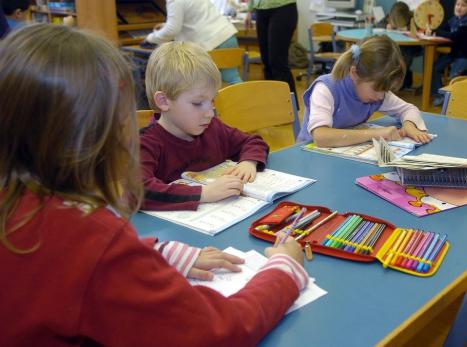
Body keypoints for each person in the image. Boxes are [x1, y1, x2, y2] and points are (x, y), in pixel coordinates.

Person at [0, 24, 308, 346]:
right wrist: (284, 270)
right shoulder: (91, 240)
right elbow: (217, 331)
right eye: (125, 118)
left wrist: (162, 252)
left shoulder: (24, 203)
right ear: (101, 133)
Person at [140, 41, 269, 211]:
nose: (210, 113)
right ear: (163, 101)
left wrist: (248, 162)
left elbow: (253, 141)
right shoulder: (145, 143)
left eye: (212, 101)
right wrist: (204, 193)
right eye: (198, 103)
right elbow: (140, 191)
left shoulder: (212, 128)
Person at [297, 35, 431, 148]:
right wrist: (375, 134)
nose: (380, 96)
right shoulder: (326, 89)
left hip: (341, 156)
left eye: (385, 90)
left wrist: (409, 125)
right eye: (377, 89)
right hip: (308, 158)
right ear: (355, 73)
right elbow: (321, 137)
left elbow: (409, 109)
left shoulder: (377, 93)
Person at [144, 0, 243, 84]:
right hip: (227, 35)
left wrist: (150, 38)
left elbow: (172, 29)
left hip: (211, 43)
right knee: (232, 78)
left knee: (201, 85)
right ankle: (247, 104)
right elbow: (194, 16)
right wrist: (165, 25)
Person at [427, 0, 467, 106]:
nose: (459, 7)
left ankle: (452, 101)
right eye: (457, 4)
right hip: (455, 54)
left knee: (453, 77)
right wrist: (433, 31)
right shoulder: (454, 20)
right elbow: (444, 30)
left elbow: (454, 36)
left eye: (463, 5)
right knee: (434, 67)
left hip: (466, 55)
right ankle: (440, 95)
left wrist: (436, 31)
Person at [244, 0, 298, 102]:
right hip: (261, 9)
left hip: (282, 8)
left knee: (277, 63)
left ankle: (290, 110)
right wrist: (249, 10)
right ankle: (272, 106)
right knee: (266, 62)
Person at [376, 1, 422, 90]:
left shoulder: (412, 17)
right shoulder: (389, 17)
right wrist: (386, 26)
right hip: (396, 46)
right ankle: (401, 83)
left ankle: (402, 83)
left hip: (410, 48)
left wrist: (407, 28)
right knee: (392, 59)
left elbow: (419, 29)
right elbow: (378, 25)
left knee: (403, 62)